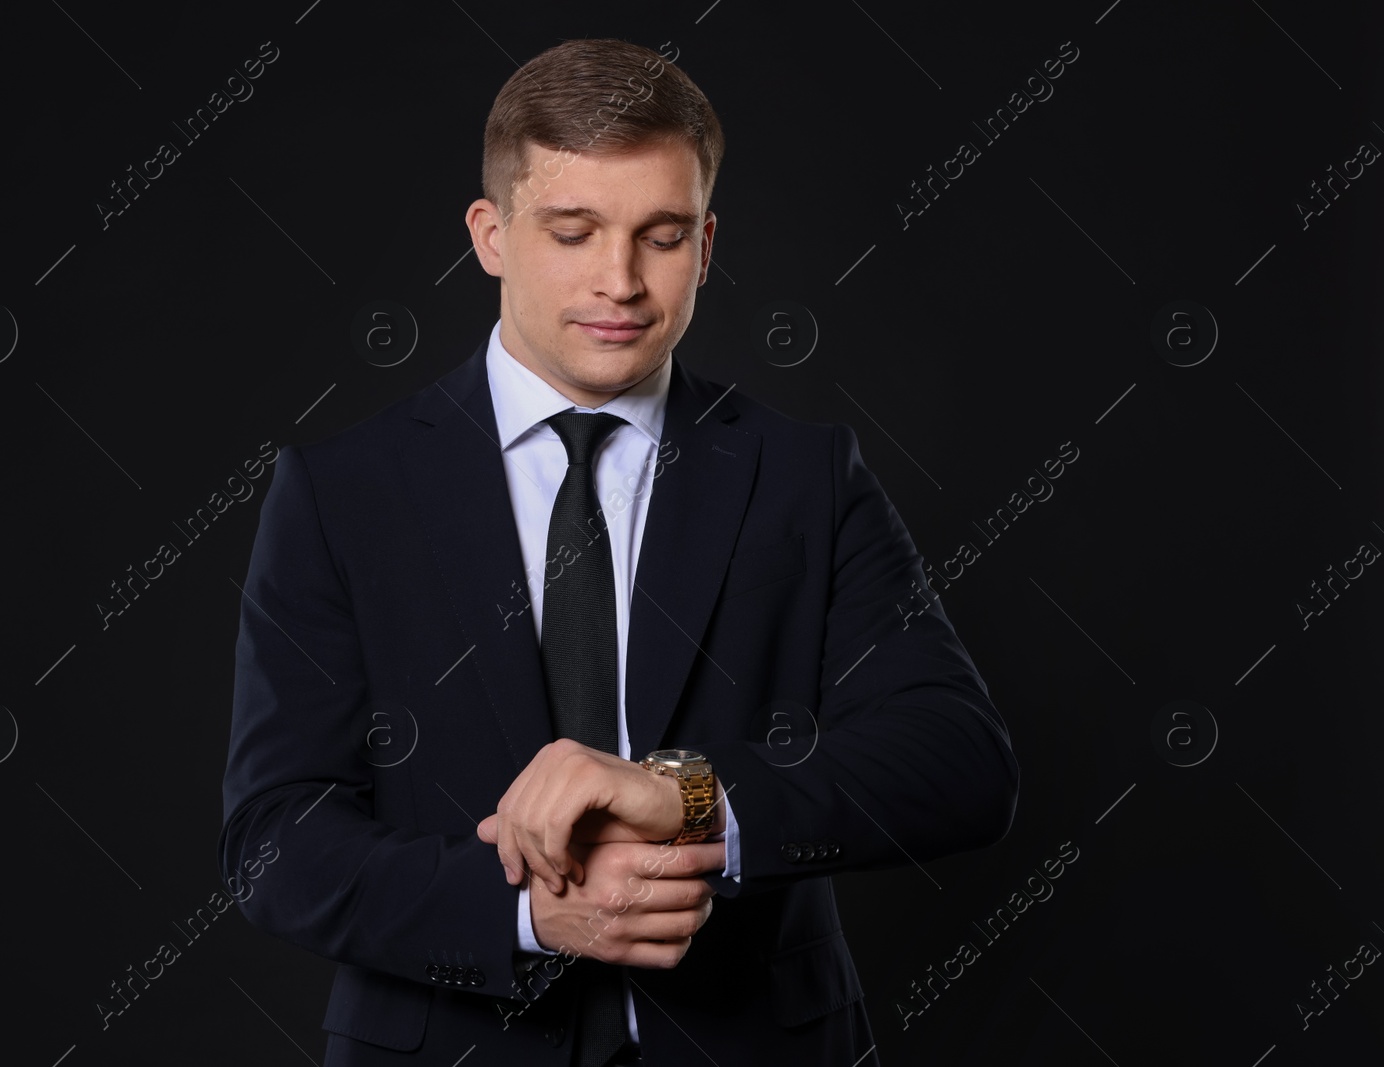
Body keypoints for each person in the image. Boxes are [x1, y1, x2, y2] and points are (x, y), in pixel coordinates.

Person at [219, 36, 1018, 1067]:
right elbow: (275, 838)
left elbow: (959, 765)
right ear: (491, 234)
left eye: (662, 235)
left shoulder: (803, 473)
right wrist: (525, 915)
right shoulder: (339, 492)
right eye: (573, 230)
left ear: (708, 242)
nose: (621, 280)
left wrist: (686, 794)